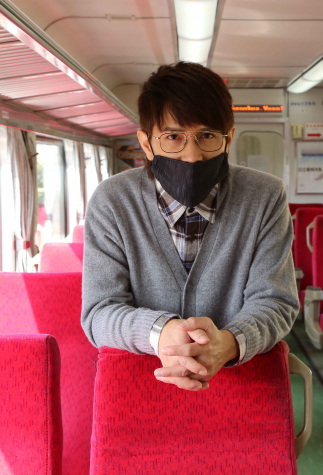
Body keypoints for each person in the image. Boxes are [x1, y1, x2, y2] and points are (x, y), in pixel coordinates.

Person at [81, 62, 299, 392]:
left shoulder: (265, 196)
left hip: (242, 386)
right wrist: (162, 332)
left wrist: (227, 342)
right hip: (138, 387)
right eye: (173, 137)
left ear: (228, 139)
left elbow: (276, 301)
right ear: (146, 143)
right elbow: (99, 312)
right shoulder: (112, 201)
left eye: (207, 136)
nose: (192, 155)